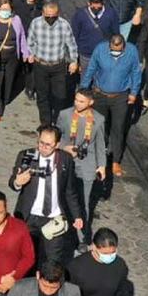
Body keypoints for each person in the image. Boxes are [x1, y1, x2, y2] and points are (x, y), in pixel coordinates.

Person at [9, 124, 84, 265]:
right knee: (26, 258)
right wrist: (18, 182)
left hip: (54, 218)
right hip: (29, 217)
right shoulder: (27, 156)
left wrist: (77, 215)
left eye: (48, 145)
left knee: (52, 260)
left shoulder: (65, 159)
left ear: (57, 144)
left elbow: (69, 190)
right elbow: (13, 182)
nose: (43, 147)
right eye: (41, 143)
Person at [80, 35, 141, 179]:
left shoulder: (132, 51)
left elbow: (136, 72)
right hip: (100, 95)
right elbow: (91, 69)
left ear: (123, 46)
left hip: (120, 96)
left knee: (118, 128)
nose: (116, 52)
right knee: (99, 126)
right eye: (113, 50)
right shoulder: (100, 49)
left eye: (118, 50)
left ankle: (115, 161)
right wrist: (83, 89)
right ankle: (97, 157)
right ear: (109, 45)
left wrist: (134, 92)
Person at [56, 90, 107, 245]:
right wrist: (65, 148)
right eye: (76, 100)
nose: (77, 103)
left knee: (83, 202)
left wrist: (102, 166)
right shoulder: (65, 115)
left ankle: (81, 237)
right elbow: (56, 138)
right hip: (67, 161)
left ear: (90, 103)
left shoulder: (98, 120)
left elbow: (100, 144)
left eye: (81, 101)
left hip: (87, 164)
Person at [26, 1, 78, 125]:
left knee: (59, 96)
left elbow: (71, 44)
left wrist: (73, 61)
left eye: (53, 16)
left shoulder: (64, 25)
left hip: (58, 65)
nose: (50, 19)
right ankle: (45, 124)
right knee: (42, 96)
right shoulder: (36, 23)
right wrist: (31, 54)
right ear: (43, 13)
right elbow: (30, 42)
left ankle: (57, 122)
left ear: (58, 14)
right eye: (47, 16)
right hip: (41, 65)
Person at [0, 0, 30, 122]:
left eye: (7, 9)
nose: (5, 11)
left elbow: (22, 36)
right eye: (2, 9)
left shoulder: (16, 20)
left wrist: (25, 53)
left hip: (13, 56)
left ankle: (5, 99)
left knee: (9, 81)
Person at [70, 0, 119, 75]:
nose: (96, 7)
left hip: (104, 53)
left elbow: (116, 33)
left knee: (101, 80)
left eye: (98, 4)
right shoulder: (80, 14)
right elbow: (75, 35)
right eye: (93, 4)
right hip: (86, 54)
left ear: (103, 3)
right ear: (88, 3)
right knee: (86, 80)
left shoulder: (111, 13)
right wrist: (76, 58)